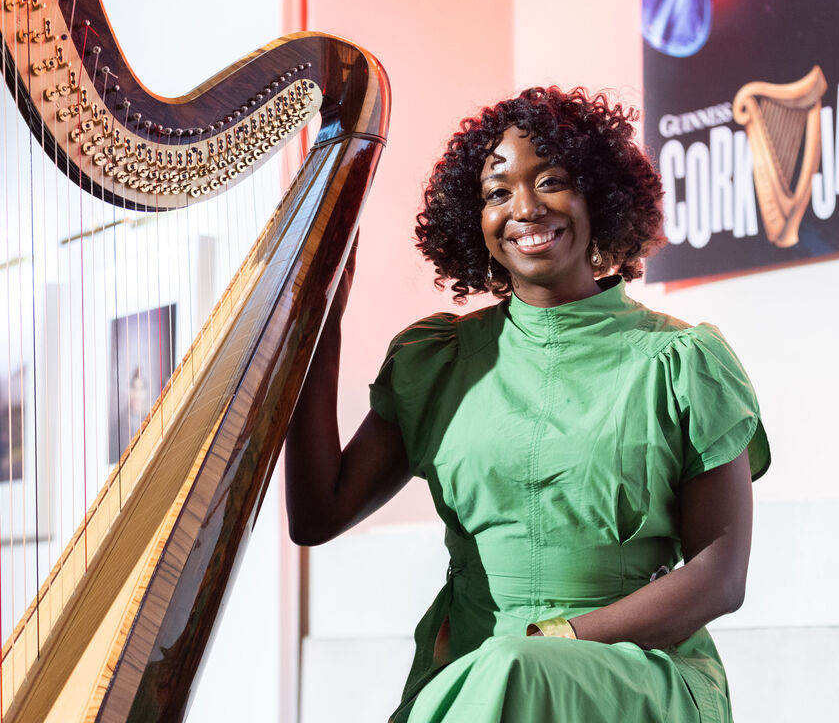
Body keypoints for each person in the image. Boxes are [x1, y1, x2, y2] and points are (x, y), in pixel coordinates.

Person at [285, 87, 771, 722]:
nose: (525, 208)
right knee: (502, 670)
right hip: (472, 673)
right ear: (474, 219)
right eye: (497, 192)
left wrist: (553, 639)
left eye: (551, 182)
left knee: (513, 667)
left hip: (633, 671)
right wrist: (318, 320)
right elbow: (317, 515)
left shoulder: (681, 361)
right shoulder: (439, 362)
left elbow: (721, 577)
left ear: (599, 198)